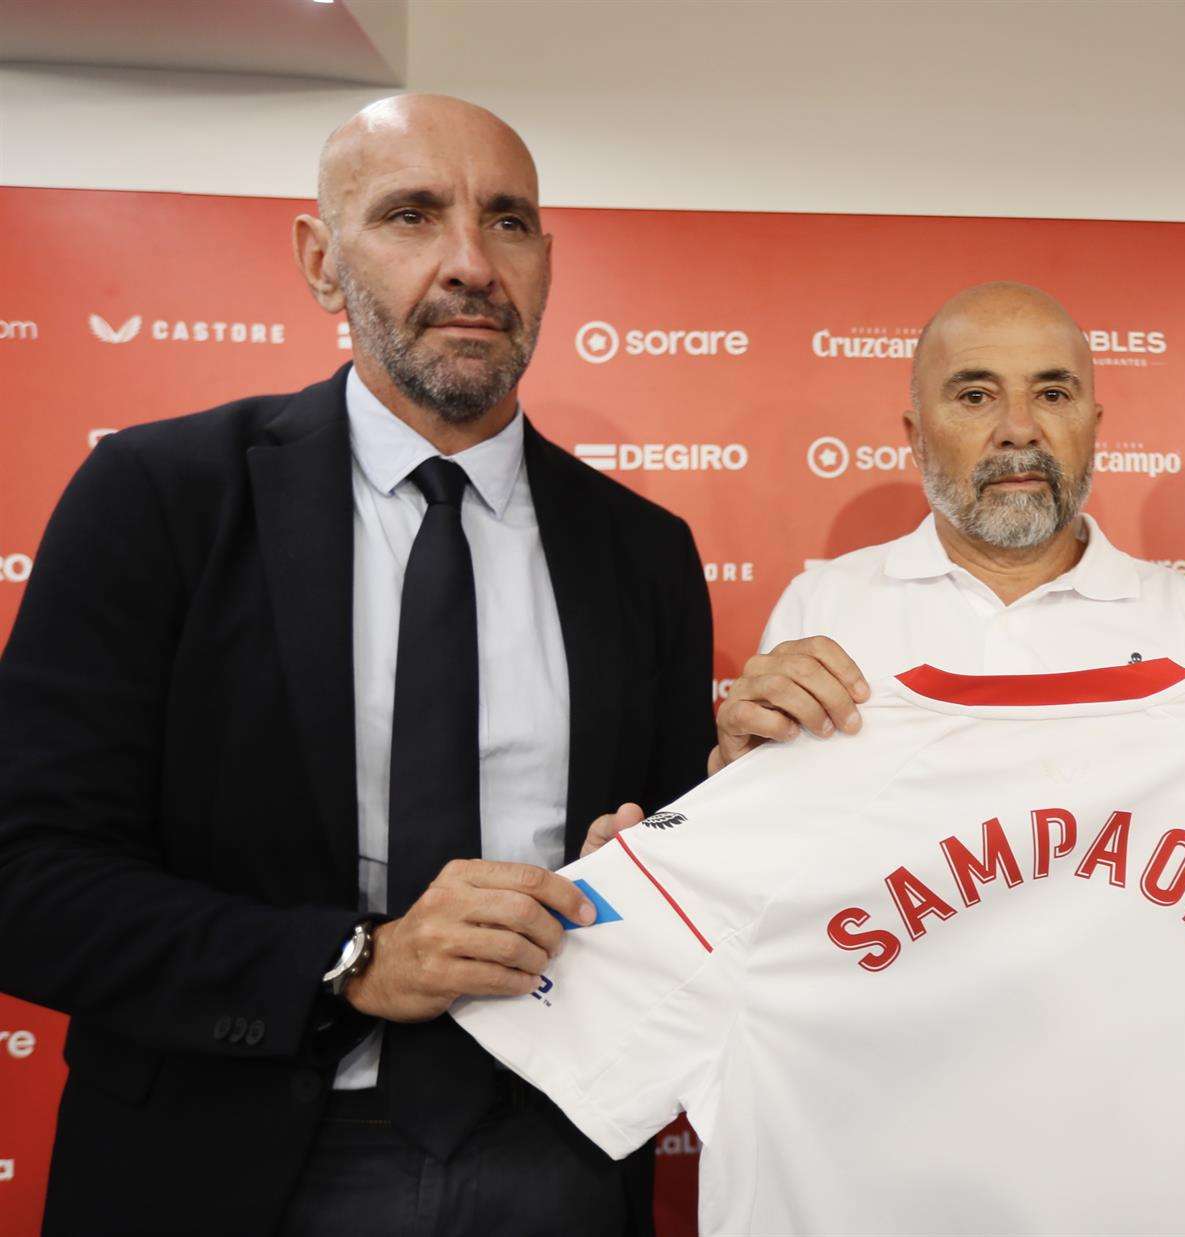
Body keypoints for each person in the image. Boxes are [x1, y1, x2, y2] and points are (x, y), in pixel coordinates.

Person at [0, 94, 714, 1236]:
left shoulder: (643, 549)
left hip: (561, 1149)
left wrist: (648, 874)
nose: (471, 263)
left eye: (509, 222)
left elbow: (687, 866)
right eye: (412, 215)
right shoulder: (158, 498)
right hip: (227, 1159)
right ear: (321, 262)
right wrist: (351, 962)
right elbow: (26, 875)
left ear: (547, 261)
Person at [585, 281, 1185, 851]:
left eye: (1052, 394)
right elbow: (769, 851)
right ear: (915, 434)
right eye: (976, 395)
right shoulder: (825, 606)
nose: (1019, 428)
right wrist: (720, 791)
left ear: (1096, 423)